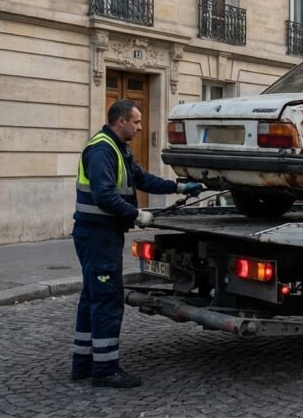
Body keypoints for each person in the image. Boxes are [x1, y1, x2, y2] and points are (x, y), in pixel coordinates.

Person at [70, 99, 204, 388]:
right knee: (106, 298)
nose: (141, 127)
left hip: (100, 234)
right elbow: (104, 195)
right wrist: (138, 215)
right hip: (97, 235)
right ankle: (105, 370)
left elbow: (141, 179)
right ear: (121, 122)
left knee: (93, 296)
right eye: (137, 122)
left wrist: (178, 187)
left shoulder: (119, 149)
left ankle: (83, 363)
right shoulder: (102, 150)